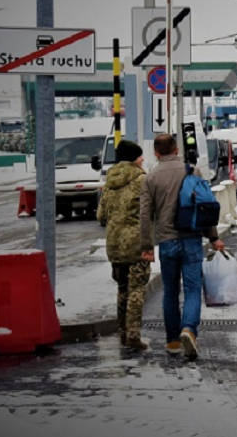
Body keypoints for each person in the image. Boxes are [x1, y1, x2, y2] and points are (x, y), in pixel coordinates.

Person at [140, 133, 224, 361]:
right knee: (192, 289)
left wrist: (147, 246)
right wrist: (213, 237)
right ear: (176, 150)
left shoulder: (150, 178)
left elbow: (145, 215)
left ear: (156, 153)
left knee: (170, 292)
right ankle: (189, 330)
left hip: (166, 242)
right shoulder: (192, 171)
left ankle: (173, 341)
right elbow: (205, 204)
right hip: (192, 240)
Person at [97, 140, 150, 350]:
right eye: (140, 156)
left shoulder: (109, 181)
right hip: (137, 243)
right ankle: (134, 335)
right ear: (134, 159)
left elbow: (101, 215)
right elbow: (150, 211)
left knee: (122, 288)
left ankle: (122, 332)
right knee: (137, 289)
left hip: (114, 244)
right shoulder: (142, 180)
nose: (143, 159)